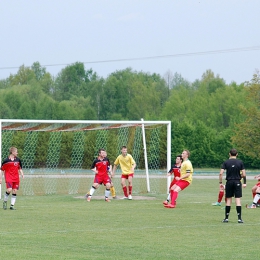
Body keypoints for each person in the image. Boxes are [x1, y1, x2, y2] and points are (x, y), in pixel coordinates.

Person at [219, 148, 246, 223]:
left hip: (229, 182)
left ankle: (226, 218)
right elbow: (244, 174)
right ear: (237, 154)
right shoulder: (240, 162)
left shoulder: (226, 162)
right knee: (238, 200)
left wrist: (220, 182)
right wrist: (240, 178)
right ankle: (239, 219)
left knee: (228, 200)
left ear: (229, 154)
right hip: (237, 182)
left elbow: (221, 173)